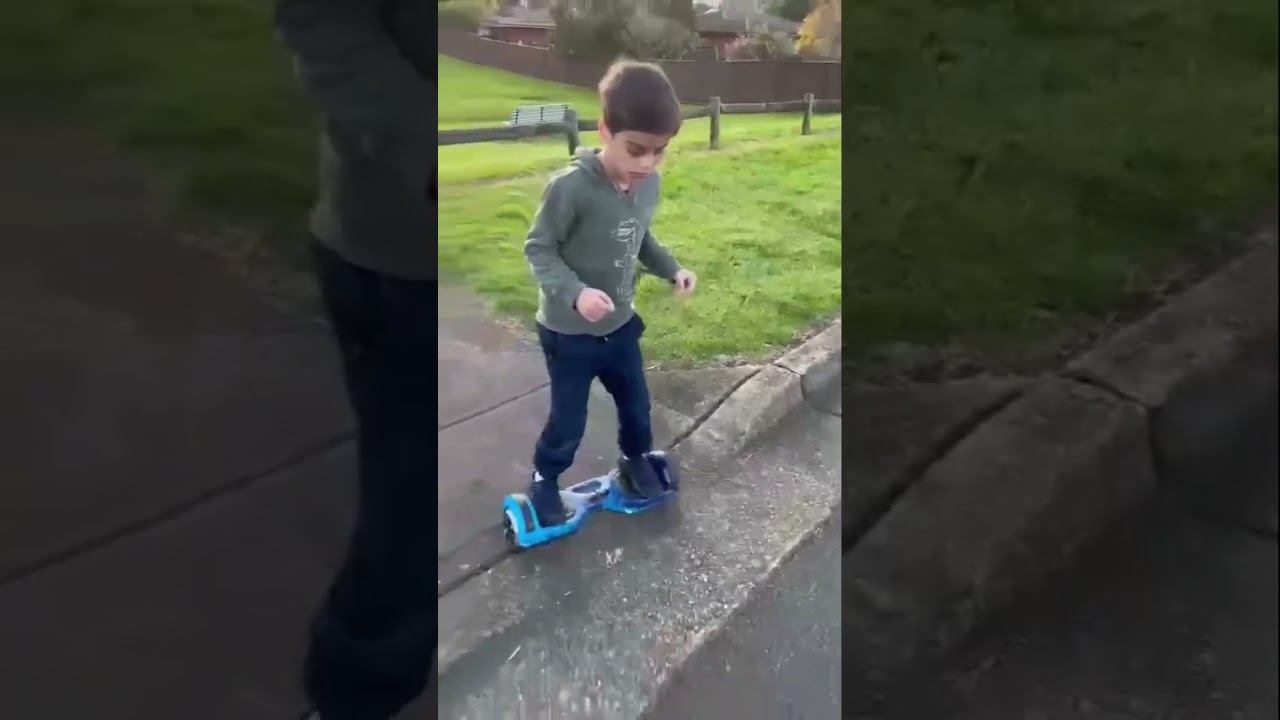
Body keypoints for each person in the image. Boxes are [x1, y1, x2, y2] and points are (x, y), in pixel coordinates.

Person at [272, 1, 433, 719]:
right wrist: (430, 149)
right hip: (400, 261)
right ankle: (351, 698)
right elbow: (321, 20)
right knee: (409, 517)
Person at [523, 60, 698, 526]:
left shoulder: (647, 185)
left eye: (659, 152)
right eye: (636, 150)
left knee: (637, 406)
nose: (647, 164)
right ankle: (544, 479)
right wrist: (576, 293)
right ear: (604, 130)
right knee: (568, 420)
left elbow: (639, 237)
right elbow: (539, 249)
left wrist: (672, 269)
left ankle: (635, 459)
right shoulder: (571, 188)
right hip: (568, 333)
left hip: (620, 325)